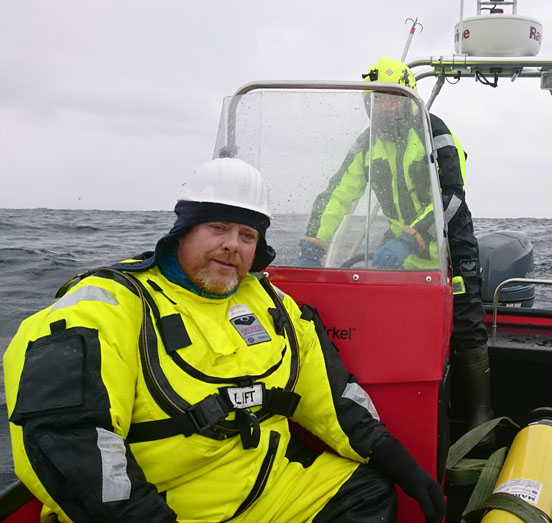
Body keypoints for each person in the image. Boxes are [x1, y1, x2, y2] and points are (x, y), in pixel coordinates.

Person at [3, 158, 446, 523]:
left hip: (271, 490)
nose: (232, 245)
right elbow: (66, 442)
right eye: (217, 228)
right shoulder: (105, 308)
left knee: (367, 493)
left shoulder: (275, 306)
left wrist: (404, 467)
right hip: (171, 506)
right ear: (183, 231)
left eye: (247, 235)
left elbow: (335, 401)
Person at [293, 57, 494, 442]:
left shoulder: (435, 133)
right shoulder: (366, 145)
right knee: (398, 319)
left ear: (408, 99)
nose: (385, 106)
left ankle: (482, 415)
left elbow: (451, 197)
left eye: (392, 98)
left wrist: (412, 237)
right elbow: (338, 195)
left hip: (449, 243)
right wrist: (313, 243)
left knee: (465, 324)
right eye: (377, 99)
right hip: (400, 243)